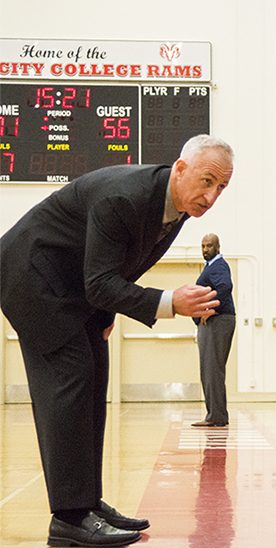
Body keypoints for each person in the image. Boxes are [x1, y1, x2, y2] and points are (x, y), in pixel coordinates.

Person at [0, 134, 233, 547]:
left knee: (94, 377)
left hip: (71, 287)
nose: (211, 196)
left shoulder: (175, 207)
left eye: (221, 188)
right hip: (31, 278)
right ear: (180, 169)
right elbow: (101, 280)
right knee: (69, 384)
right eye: (206, 181)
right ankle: (69, 518)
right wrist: (169, 302)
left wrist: (104, 314)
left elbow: (120, 265)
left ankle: (87, 504)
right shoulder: (124, 198)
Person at [191, 233, 236, 428]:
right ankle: (215, 414)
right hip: (215, 322)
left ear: (217, 247)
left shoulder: (218, 265)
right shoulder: (212, 266)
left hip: (218, 321)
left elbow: (225, 287)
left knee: (212, 370)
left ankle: (216, 416)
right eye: (202, 246)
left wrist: (211, 309)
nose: (205, 249)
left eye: (209, 246)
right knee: (209, 370)